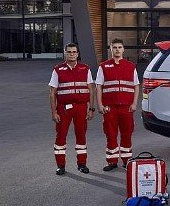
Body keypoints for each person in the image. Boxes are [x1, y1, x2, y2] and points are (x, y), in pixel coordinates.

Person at [48, 43, 95, 175]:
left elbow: (91, 89)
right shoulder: (58, 70)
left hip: (81, 107)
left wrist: (91, 108)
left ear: (77, 53)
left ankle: (82, 164)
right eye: (69, 52)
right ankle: (61, 166)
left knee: (81, 135)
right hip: (63, 108)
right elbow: (52, 92)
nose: (72, 54)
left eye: (74, 52)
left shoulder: (85, 69)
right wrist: (54, 112)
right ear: (65, 53)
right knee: (61, 136)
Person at [96, 38, 140, 171]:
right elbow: (99, 86)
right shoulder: (103, 66)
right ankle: (112, 161)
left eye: (119, 47)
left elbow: (136, 86)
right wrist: (100, 105)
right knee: (111, 134)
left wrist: (134, 103)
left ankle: (127, 161)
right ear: (110, 49)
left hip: (127, 107)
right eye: (114, 47)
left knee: (127, 134)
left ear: (123, 49)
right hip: (110, 108)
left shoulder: (130, 66)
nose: (117, 49)